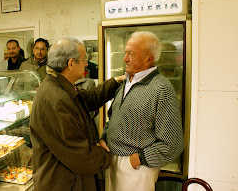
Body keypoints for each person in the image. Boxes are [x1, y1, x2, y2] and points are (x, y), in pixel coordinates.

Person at [29, 37, 126, 191]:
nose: (87, 64)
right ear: (71, 63)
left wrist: (116, 81)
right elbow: (80, 156)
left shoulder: (60, 86)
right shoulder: (56, 98)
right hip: (63, 183)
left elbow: (87, 99)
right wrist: (108, 154)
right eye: (84, 59)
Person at [99, 31, 184, 191]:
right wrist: (104, 137)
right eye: (125, 53)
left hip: (136, 168)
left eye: (131, 54)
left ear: (149, 59)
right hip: (112, 162)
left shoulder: (161, 89)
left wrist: (141, 158)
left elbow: (173, 144)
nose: (125, 59)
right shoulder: (125, 83)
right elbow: (114, 117)